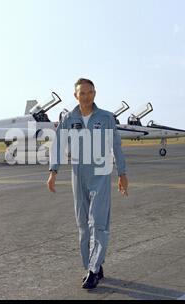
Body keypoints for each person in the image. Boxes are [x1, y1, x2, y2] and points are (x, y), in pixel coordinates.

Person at [47, 78, 128, 289]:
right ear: (75, 95)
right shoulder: (68, 118)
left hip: (100, 172)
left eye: (89, 92)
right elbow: (58, 144)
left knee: (98, 222)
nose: (86, 96)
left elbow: (117, 146)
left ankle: (93, 270)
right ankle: (92, 264)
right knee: (83, 224)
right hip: (77, 172)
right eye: (82, 93)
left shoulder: (106, 118)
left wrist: (122, 173)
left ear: (95, 93)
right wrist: (53, 171)